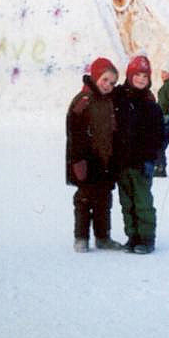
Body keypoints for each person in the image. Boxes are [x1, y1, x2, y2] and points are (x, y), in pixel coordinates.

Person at [65, 57, 124, 252]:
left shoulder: (108, 101)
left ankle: (103, 236)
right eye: (105, 79)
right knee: (84, 200)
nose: (108, 85)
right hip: (86, 161)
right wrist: (78, 161)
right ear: (96, 76)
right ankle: (81, 237)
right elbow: (74, 133)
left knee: (104, 200)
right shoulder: (83, 101)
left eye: (112, 82)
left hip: (105, 160)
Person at [115, 53, 164, 254]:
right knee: (126, 202)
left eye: (145, 76)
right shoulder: (118, 97)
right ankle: (132, 236)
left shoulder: (151, 104)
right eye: (137, 75)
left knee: (143, 202)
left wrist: (152, 159)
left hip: (141, 163)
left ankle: (146, 238)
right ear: (129, 75)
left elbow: (159, 135)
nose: (141, 80)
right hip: (121, 162)